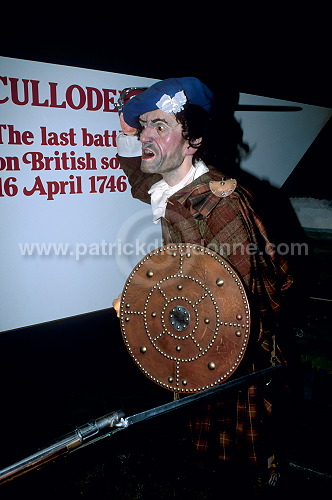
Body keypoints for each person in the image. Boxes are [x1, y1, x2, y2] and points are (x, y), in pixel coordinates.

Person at [113, 77, 301, 495]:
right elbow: (140, 180)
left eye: (159, 126)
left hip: (242, 346)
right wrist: (128, 132)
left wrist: (153, 303)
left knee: (247, 453)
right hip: (206, 337)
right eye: (144, 125)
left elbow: (238, 306)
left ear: (193, 140)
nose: (146, 135)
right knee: (208, 448)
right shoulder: (175, 185)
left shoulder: (219, 206)